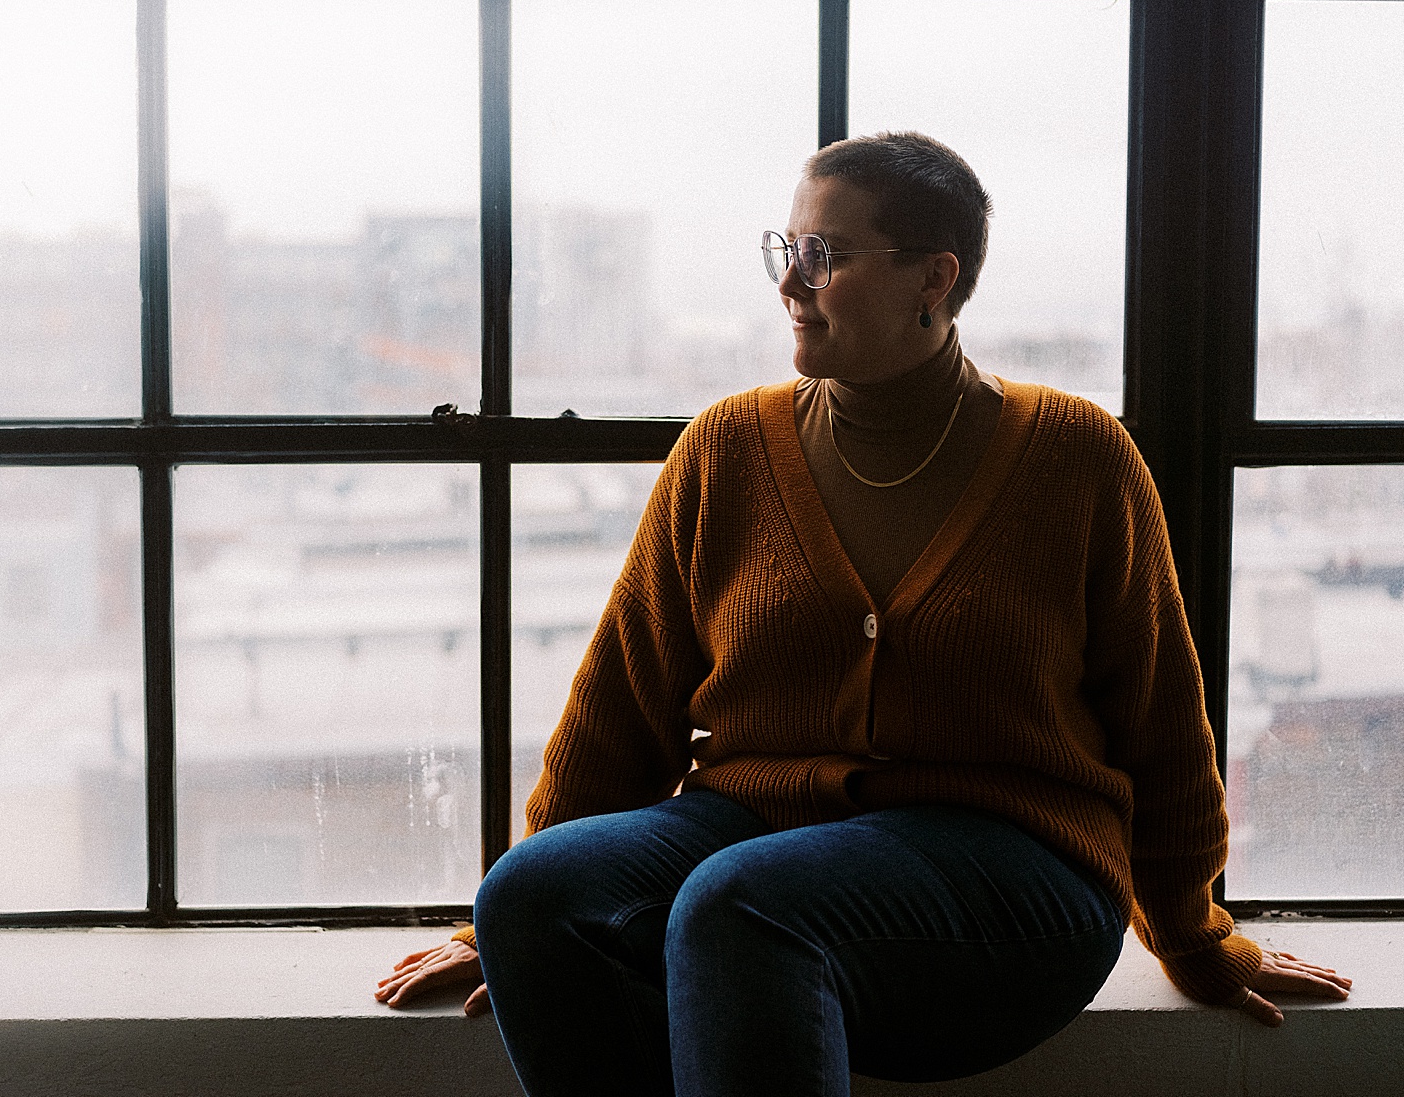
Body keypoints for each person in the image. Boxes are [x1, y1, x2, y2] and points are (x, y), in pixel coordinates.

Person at [375, 132, 1352, 1094]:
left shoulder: (1075, 456)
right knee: (535, 896)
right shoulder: (727, 449)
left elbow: (1160, 722)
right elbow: (621, 708)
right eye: (785, 250)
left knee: (741, 905)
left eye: (824, 256)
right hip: (751, 830)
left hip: (1015, 875)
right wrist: (495, 929)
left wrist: (1193, 934)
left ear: (933, 278)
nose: (790, 282)